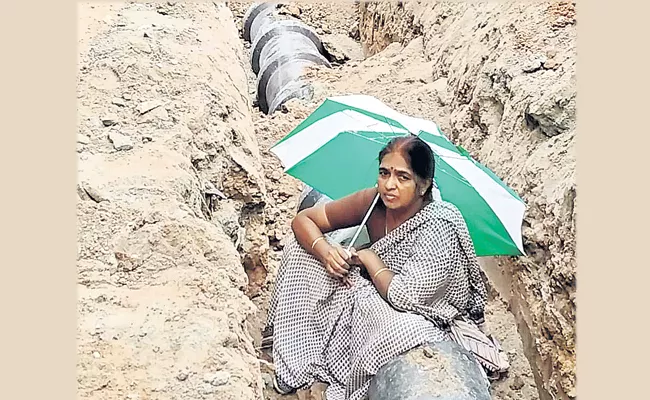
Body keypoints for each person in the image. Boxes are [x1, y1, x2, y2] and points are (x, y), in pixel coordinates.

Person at [265, 135, 488, 400]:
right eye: (384, 173)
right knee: (300, 250)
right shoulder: (374, 202)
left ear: (423, 185)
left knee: (399, 330)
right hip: (368, 291)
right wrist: (326, 253)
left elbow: (406, 296)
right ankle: (302, 352)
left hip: (416, 314)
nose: (389, 185)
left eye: (403, 177)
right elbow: (305, 220)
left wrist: (370, 258)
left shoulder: (439, 222)